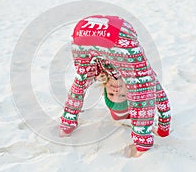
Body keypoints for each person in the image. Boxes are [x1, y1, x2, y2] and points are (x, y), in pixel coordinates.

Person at [59, 15, 171, 157]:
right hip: (106, 33)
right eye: (122, 95)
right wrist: (163, 129)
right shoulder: (137, 73)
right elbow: (161, 101)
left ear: (104, 89)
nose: (116, 90)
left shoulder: (98, 68)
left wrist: (66, 123)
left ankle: (66, 126)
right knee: (142, 96)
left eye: (111, 94)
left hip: (83, 33)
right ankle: (142, 147)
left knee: (81, 78)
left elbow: (78, 88)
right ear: (129, 91)